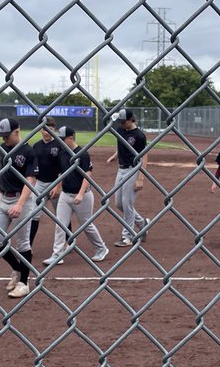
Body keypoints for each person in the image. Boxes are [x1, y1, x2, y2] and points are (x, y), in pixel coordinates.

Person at [0, 117, 38, 298]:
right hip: (3, 198)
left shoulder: (28, 151)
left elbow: (31, 179)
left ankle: (24, 283)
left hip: (21, 199)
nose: (4, 139)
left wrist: (20, 203)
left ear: (17, 132)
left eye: (7, 136)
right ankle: (17, 269)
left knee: (23, 243)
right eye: (2, 136)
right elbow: (0, 170)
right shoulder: (3, 149)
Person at [44, 126, 108, 265]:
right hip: (65, 195)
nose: (60, 142)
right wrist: (57, 187)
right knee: (60, 224)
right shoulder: (62, 153)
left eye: (63, 139)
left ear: (71, 138)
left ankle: (101, 248)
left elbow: (87, 175)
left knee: (86, 225)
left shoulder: (82, 153)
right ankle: (57, 255)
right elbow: (62, 173)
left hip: (83, 195)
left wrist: (80, 194)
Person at [106, 108, 148, 247]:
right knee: (119, 203)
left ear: (131, 120)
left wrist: (141, 178)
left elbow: (144, 156)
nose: (121, 124)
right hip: (121, 169)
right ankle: (143, 224)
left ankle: (127, 236)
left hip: (133, 170)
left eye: (124, 122)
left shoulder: (139, 136)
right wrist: (115, 155)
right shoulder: (120, 130)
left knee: (127, 204)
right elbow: (122, 145)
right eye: (120, 122)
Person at [29, 117, 64, 249]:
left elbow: (63, 167)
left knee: (61, 215)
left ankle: (68, 241)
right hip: (40, 183)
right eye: (45, 129)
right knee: (34, 215)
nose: (47, 131)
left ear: (54, 129)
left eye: (50, 128)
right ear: (40, 130)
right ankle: (28, 245)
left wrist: (58, 185)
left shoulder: (59, 145)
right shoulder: (36, 146)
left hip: (56, 182)